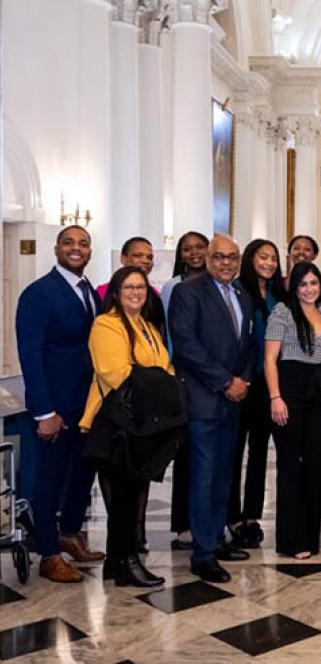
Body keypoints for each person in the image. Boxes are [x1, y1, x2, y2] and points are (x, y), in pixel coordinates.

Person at [16, 226, 105, 583]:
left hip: (87, 405)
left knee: (83, 473)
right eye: (69, 242)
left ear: (90, 251)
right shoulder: (38, 293)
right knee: (49, 477)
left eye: (83, 243)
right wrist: (43, 411)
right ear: (56, 248)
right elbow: (31, 355)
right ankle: (48, 552)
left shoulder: (90, 293)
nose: (76, 248)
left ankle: (70, 533)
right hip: (55, 406)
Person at [80, 266, 175, 587]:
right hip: (116, 422)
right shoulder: (106, 325)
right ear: (116, 293)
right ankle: (126, 562)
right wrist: (162, 382)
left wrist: (161, 380)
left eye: (141, 287)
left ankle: (117, 563)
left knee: (132, 492)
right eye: (129, 287)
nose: (135, 292)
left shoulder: (146, 325)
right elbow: (116, 372)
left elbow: (166, 365)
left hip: (142, 421)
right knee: (122, 498)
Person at [169, 234, 255, 583]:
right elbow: (187, 345)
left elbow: (248, 344)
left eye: (232, 258)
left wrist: (243, 380)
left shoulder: (242, 294)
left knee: (223, 476)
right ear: (206, 258)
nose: (226, 263)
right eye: (219, 257)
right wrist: (225, 382)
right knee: (202, 478)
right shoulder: (188, 292)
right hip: (203, 400)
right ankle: (202, 554)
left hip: (233, 400)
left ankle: (217, 539)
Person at [265, 262, 321, 559]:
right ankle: (289, 540)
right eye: (303, 284)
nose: (310, 289)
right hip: (289, 392)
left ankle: (309, 536)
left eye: (314, 283)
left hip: (316, 396)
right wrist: (275, 397)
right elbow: (270, 358)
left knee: (315, 465)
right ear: (294, 287)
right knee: (290, 466)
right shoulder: (282, 312)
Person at [229, 239, 285, 549]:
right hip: (242, 381)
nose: (269, 263)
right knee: (235, 452)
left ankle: (252, 515)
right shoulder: (237, 291)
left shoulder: (278, 296)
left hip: (268, 382)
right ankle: (233, 516)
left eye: (273, 258)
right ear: (251, 259)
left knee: (260, 452)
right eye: (263, 257)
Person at [160, 231, 209, 550]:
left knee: (213, 458)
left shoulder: (224, 285)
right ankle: (183, 524)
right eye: (187, 249)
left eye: (199, 248)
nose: (194, 253)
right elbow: (169, 332)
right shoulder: (172, 287)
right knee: (188, 452)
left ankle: (211, 523)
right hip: (184, 376)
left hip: (216, 379)